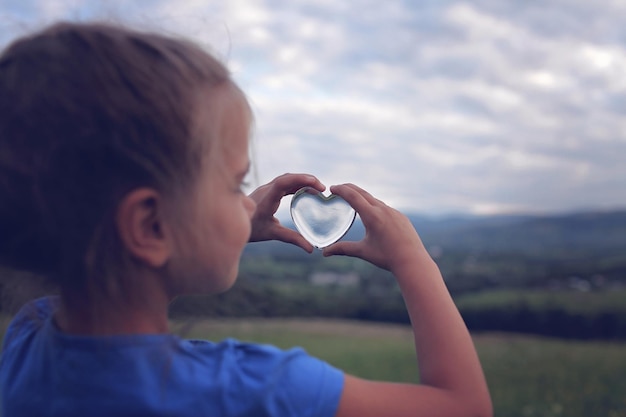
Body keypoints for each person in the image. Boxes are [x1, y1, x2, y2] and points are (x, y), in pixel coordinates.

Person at [0, 21, 492, 417]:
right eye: (235, 186)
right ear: (150, 226)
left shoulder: (26, 339)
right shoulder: (255, 391)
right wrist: (414, 261)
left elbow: (125, 285)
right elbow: (463, 407)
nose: (246, 202)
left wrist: (219, 230)